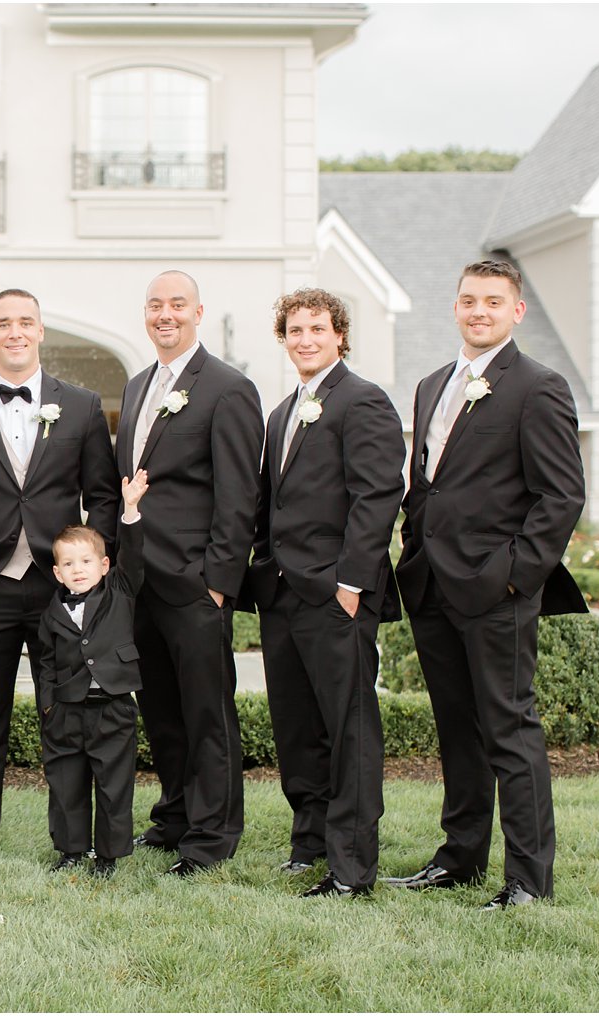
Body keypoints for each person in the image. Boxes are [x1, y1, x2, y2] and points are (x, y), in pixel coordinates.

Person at [388, 259, 587, 910]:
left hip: (495, 590)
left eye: (493, 302)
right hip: (433, 586)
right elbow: (427, 481)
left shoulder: (539, 386)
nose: (479, 311)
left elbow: (560, 497)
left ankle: (528, 878)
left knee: (510, 729)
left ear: (516, 311)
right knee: (457, 730)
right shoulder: (431, 385)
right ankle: (461, 860)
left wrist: (513, 578)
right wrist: (413, 546)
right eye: (469, 300)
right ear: (455, 308)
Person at [0, 288, 119, 856]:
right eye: (3, 323)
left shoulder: (81, 406)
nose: (14, 331)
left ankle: (70, 836)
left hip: (59, 591)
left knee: (65, 713)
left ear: (40, 330)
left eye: (25, 322)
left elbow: (101, 495)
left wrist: (90, 570)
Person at [239, 289, 405, 898]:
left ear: (340, 334)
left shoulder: (363, 401)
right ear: (282, 339)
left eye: (316, 328)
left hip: (337, 595)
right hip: (283, 595)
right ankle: (308, 841)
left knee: (349, 731)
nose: (305, 339)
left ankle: (351, 867)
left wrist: (351, 582)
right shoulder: (284, 410)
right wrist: (261, 565)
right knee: (297, 726)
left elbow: (378, 495)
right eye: (294, 330)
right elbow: (269, 501)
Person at [113, 270, 263, 876]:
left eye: (177, 305)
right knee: (162, 711)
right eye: (154, 305)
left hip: (197, 580)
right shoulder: (137, 386)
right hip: (141, 580)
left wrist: (219, 580)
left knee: (206, 712)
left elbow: (239, 494)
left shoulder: (228, 388)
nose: (164, 315)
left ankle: (212, 833)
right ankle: (175, 812)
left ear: (199, 312)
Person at [35, 470, 150, 878]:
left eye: (86, 562)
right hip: (66, 711)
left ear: (103, 565)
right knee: (66, 783)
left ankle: (108, 855)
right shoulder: (51, 613)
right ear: (58, 572)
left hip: (112, 707)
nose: (78, 569)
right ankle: (71, 850)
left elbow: (133, 556)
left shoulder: (119, 591)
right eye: (68, 563)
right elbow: (45, 663)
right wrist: (48, 706)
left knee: (114, 784)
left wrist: (131, 508)